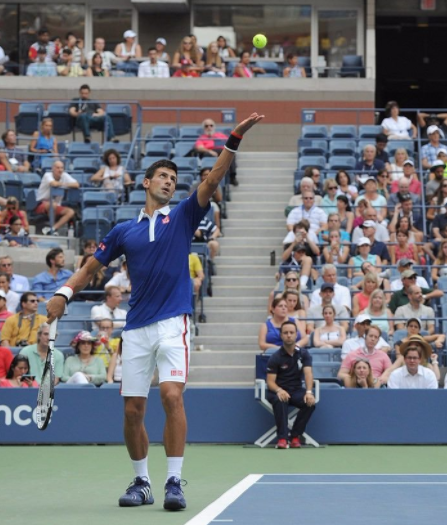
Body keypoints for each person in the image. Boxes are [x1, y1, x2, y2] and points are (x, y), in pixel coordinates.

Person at [46, 113, 264, 510]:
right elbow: (91, 268)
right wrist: (64, 292)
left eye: (172, 177)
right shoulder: (123, 232)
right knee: (132, 410)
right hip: (136, 328)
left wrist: (234, 137)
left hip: (172, 322)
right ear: (146, 183)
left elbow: (212, 179)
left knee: (170, 395)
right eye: (162, 176)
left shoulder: (182, 216)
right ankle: (142, 482)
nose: (169, 181)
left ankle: (174, 482)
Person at [266, 321, 316, 449]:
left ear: (296, 335)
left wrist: (309, 392)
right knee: (281, 400)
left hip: (296, 390)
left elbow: (308, 374)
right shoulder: (275, 357)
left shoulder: (304, 354)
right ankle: (282, 438)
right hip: (278, 391)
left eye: (291, 332)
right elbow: (270, 381)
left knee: (309, 403)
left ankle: (295, 436)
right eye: (286, 333)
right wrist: (279, 390)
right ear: (281, 336)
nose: (289, 335)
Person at [35, 160, 80, 235]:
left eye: (62, 168)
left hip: (56, 204)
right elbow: (54, 183)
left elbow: (76, 184)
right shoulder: (47, 175)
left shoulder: (64, 175)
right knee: (53, 204)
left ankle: (53, 229)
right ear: (53, 168)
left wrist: (62, 184)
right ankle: (52, 226)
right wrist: (65, 184)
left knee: (71, 212)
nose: (60, 170)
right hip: (41, 203)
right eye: (58, 168)